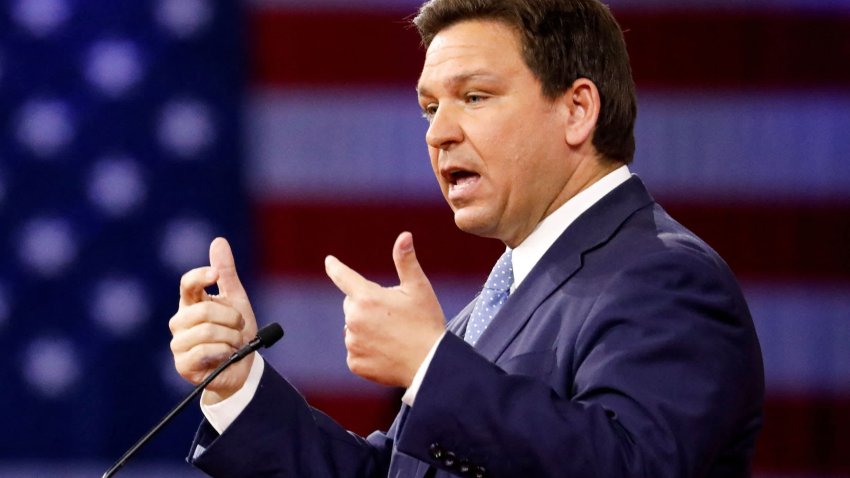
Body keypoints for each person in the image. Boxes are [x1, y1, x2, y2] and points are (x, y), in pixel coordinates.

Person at [168, 0, 764, 476]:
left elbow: (630, 465)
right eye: (430, 107)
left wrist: (429, 365)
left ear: (577, 110)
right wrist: (241, 385)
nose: (438, 133)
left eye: (474, 97)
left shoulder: (666, 277)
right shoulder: (496, 306)